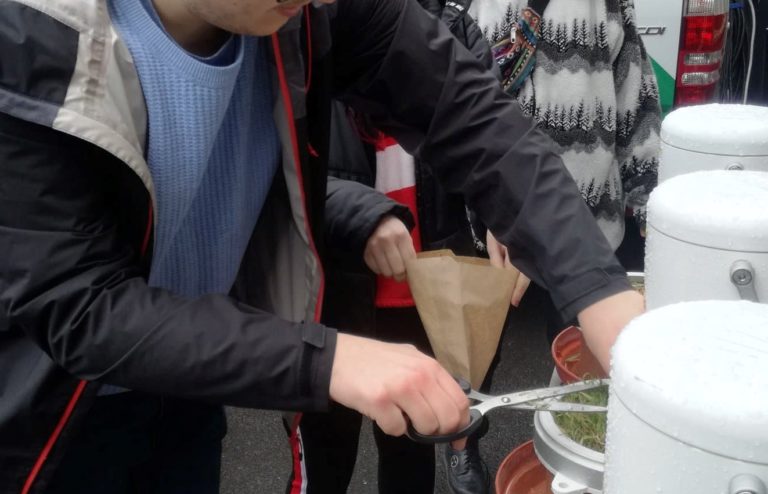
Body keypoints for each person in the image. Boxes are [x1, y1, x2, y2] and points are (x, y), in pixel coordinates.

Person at [0, 0, 642, 493]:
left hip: (188, 386)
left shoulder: (302, 14)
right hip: (47, 418)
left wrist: (597, 288)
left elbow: (466, 111)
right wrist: (328, 360)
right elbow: (81, 306)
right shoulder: (35, 37)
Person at [295, 0, 502, 492]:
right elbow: (272, 171)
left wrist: (503, 212)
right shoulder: (306, 28)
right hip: (336, 297)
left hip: (425, 292)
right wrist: (356, 211)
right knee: (326, 452)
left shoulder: (452, 27)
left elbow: (491, 143)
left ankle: (460, 441)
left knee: (410, 451)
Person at [469, 0, 661, 340]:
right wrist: (494, 207)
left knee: (583, 368)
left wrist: (656, 219)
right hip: (502, 225)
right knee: (480, 355)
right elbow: (465, 108)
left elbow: (635, 99)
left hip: (587, 229)